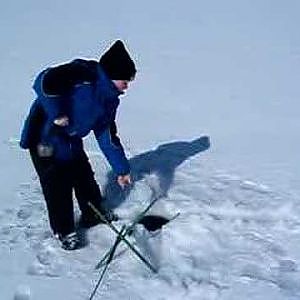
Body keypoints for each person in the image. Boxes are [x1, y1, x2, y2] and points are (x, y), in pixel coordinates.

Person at [20, 40, 136, 250]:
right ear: (112, 75)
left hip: (69, 138)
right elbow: (43, 81)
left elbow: (106, 135)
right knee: (57, 182)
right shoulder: (82, 74)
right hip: (44, 137)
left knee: (82, 174)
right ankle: (64, 231)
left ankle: (93, 214)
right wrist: (57, 114)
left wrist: (121, 169)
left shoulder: (110, 100)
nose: (128, 84)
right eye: (126, 79)